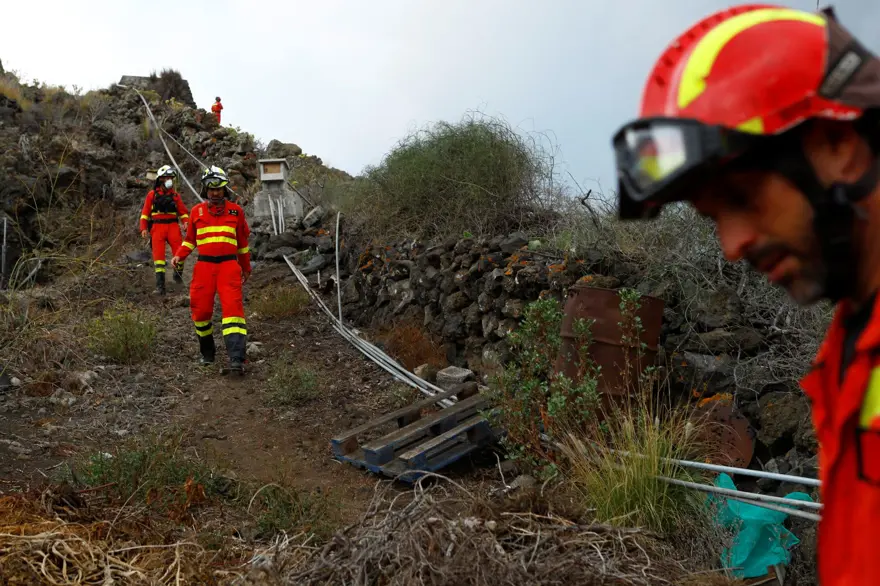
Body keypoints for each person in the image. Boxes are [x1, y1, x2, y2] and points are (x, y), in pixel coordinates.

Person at [610, 5, 880, 584]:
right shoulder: (850, 349)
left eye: (742, 195)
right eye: (712, 218)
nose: (731, 244)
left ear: (839, 143)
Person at [171, 166, 251, 374]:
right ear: (205, 189)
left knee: (233, 312)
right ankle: (207, 353)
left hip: (228, 267)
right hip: (204, 268)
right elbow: (190, 241)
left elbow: (242, 244)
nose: (215, 193)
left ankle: (237, 359)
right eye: (211, 189)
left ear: (225, 190)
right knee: (201, 311)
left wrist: (246, 267)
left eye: (219, 189)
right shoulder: (196, 211)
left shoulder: (236, 211)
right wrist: (179, 254)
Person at [139, 165, 190, 295]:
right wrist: (143, 228)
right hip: (157, 227)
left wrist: (186, 223)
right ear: (160, 179)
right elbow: (145, 214)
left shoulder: (175, 195)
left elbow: (183, 212)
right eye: (166, 177)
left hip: (173, 226)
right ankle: (160, 287)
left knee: (179, 253)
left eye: (171, 178)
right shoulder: (152, 195)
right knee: (159, 257)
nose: (169, 180)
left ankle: (177, 277)